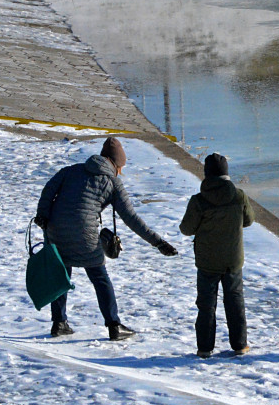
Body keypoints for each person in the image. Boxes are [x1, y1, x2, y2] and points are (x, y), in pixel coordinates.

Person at [35, 137, 178, 340]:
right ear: (117, 164)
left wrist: (42, 216)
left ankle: (59, 323)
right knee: (100, 278)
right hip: (85, 234)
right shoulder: (112, 182)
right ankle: (113, 325)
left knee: (61, 274)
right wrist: (158, 242)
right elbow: (131, 218)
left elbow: (48, 190)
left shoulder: (71, 170)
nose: (121, 172)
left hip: (55, 229)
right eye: (121, 167)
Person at [180, 153, 255, 358]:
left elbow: (186, 229)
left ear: (206, 174)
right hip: (233, 259)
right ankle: (239, 345)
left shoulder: (199, 200)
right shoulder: (239, 196)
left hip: (207, 261)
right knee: (235, 301)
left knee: (206, 305)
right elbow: (248, 220)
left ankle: (204, 348)